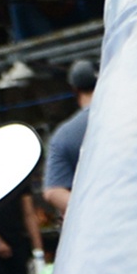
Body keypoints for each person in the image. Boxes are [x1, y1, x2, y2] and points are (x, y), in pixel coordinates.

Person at [41, 59, 96, 218]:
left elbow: (53, 192)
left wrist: (95, 215)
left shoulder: (63, 136)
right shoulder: (133, 119)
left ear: (75, 89)